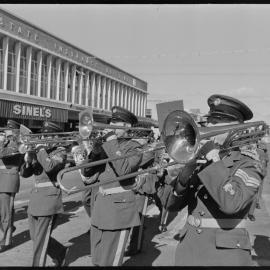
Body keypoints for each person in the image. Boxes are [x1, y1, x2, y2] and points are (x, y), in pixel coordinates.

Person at [162, 94, 264, 266]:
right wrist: (184, 177)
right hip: (189, 248)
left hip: (224, 255)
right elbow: (170, 205)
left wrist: (212, 160)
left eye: (216, 123)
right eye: (210, 121)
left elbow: (232, 203)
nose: (208, 126)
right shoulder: (202, 159)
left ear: (235, 128)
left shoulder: (249, 162)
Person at [81, 106, 142, 266]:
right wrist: (94, 152)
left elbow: (124, 171)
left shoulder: (134, 147)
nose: (111, 125)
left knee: (110, 261)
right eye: (111, 121)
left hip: (118, 211)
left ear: (127, 127)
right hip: (100, 207)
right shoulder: (105, 146)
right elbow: (87, 172)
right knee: (97, 258)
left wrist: (111, 142)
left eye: (117, 122)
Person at [20, 122, 69, 267]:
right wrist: (28, 161)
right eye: (44, 134)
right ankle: (60, 252)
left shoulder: (60, 152)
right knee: (35, 237)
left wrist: (40, 149)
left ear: (56, 137)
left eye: (49, 135)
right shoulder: (40, 152)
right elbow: (24, 174)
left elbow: (49, 167)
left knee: (40, 240)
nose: (44, 137)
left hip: (49, 200)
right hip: (35, 199)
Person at [0, 120, 24, 252]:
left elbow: (2, 154)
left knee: (5, 213)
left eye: (7, 129)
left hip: (8, 181)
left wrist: (2, 142)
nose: (4, 132)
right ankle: (9, 228)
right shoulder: (7, 142)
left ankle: (5, 241)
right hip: (1, 179)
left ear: (14, 131)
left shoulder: (17, 143)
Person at [247, 139, 269, 221]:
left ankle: (251, 212)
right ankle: (250, 212)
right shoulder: (249, 153)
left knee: (256, 193)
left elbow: (265, 162)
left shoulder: (261, 152)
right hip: (252, 174)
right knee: (253, 194)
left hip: (258, 174)